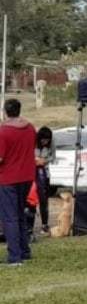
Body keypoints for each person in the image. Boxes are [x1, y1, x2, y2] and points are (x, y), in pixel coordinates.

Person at [0, 99, 38, 266]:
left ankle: (15, 257)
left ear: (5, 111)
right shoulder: (30, 128)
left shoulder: (3, 131)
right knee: (20, 214)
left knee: (10, 218)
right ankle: (24, 251)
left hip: (8, 178)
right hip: (27, 176)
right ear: (19, 110)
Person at [33, 126, 55, 237]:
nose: (45, 141)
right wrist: (35, 161)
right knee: (31, 200)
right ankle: (29, 226)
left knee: (44, 201)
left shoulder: (51, 144)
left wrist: (45, 161)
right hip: (32, 173)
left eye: (48, 140)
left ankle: (45, 224)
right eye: (43, 139)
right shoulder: (33, 143)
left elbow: (53, 157)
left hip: (45, 174)